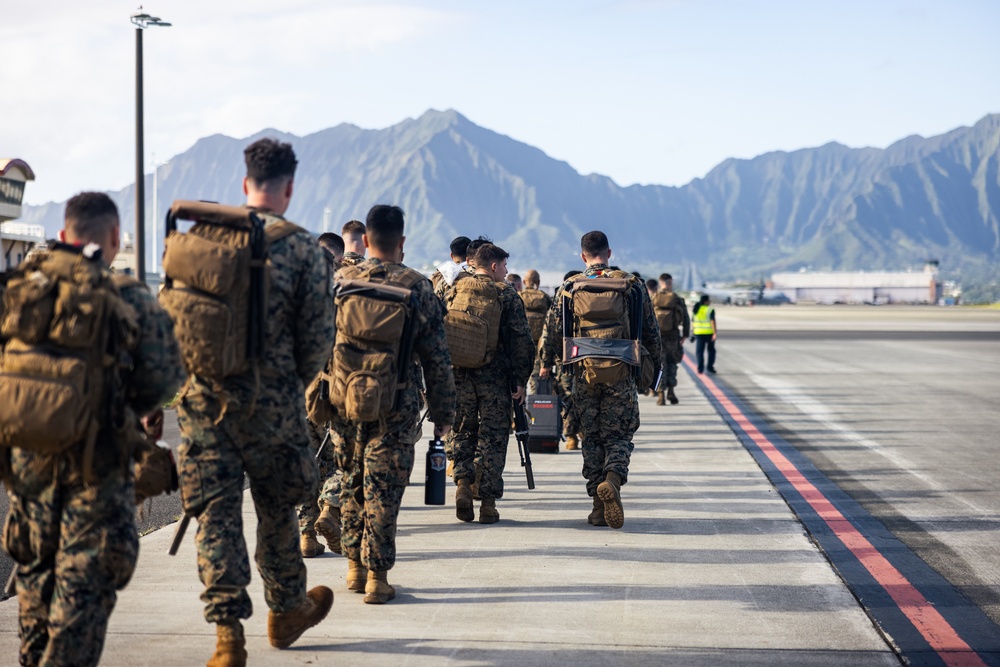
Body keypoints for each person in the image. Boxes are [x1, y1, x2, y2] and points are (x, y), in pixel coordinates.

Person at [1, 192, 185, 666]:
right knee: (83, 595)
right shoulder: (126, 296)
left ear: (64, 235)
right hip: (95, 470)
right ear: (113, 238)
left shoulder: (18, 288)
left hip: (27, 467)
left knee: (36, 580)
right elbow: (164, 380)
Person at [173, 138, 336, 664]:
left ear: (245, 184)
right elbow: (317, 344)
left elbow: (172, 319)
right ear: (288, 188)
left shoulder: (201, 235)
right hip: (273, 405)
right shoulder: (305, 250)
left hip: (202, 402)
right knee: (277, 507)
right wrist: (286, 383)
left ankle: (227, 638)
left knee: (215, 517)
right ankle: (287, 609)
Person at [330, 204, 456, 603]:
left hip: (344, 402)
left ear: (365, 241)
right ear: (402, 242)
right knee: (384, 491)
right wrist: (443, 415)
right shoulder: (418, 288)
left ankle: (353, 567)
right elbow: (438, 360)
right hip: (396, 405)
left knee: (351, 482)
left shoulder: (340, 279)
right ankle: (377, 578)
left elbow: (314, 342)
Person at [538, 231, 660, 529]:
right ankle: (614, 479)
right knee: (619, 434)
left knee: (591, 437)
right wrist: (654, 371)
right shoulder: (631, 285)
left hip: (583, 373)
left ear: (583, 256)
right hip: (622, 371)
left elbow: (553, 332)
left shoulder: (569, 287)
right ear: (609, 252)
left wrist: (545, 366)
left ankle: (596, 506)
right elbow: (651, 330)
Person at [446, 243, 534, 524]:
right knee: (493, 439)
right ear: (494, 266)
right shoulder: (506, 293)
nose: (507, 271)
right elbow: (522, 340)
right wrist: (520, 379)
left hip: (459, 375)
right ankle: (487, 504)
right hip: (495, 378)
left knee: (462, 432)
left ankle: (462, 484)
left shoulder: (455, 288)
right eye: (505, 266)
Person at [299, 234, 345, 559]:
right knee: (336, 461)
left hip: (295, 395)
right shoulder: (340, 302)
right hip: (330, 394)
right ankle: (330, 509)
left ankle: (306, 536)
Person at [652, 273, 690, 405]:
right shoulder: (677, 299)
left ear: (660, 282)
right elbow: (685, 318)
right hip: (673, 336)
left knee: (661, 365)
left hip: (658, 337)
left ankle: (661, 395)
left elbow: (647, 318)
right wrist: (685, 334)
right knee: (672, 363)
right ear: (670, 282)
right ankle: (672, 391)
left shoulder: (654, 298)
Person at [519, 269, 551, 395]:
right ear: (538, 282)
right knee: (535, 381)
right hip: (539, 346)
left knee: (519, 382)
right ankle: (534, 411)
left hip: (521, 346)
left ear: (524, 281)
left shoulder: (519, 296)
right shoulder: (544, 297)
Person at [692, 294, 717, 374]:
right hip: (709, 333)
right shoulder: (710, 309)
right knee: (711, 351)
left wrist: (694, 332)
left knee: (699, 352)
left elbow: (693, 322)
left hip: (698, 333)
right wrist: (715, 333)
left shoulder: (696, 309)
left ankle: (700, 368)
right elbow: (712, 321)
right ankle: (710, 367)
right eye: (709, 300)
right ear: (706, 301)